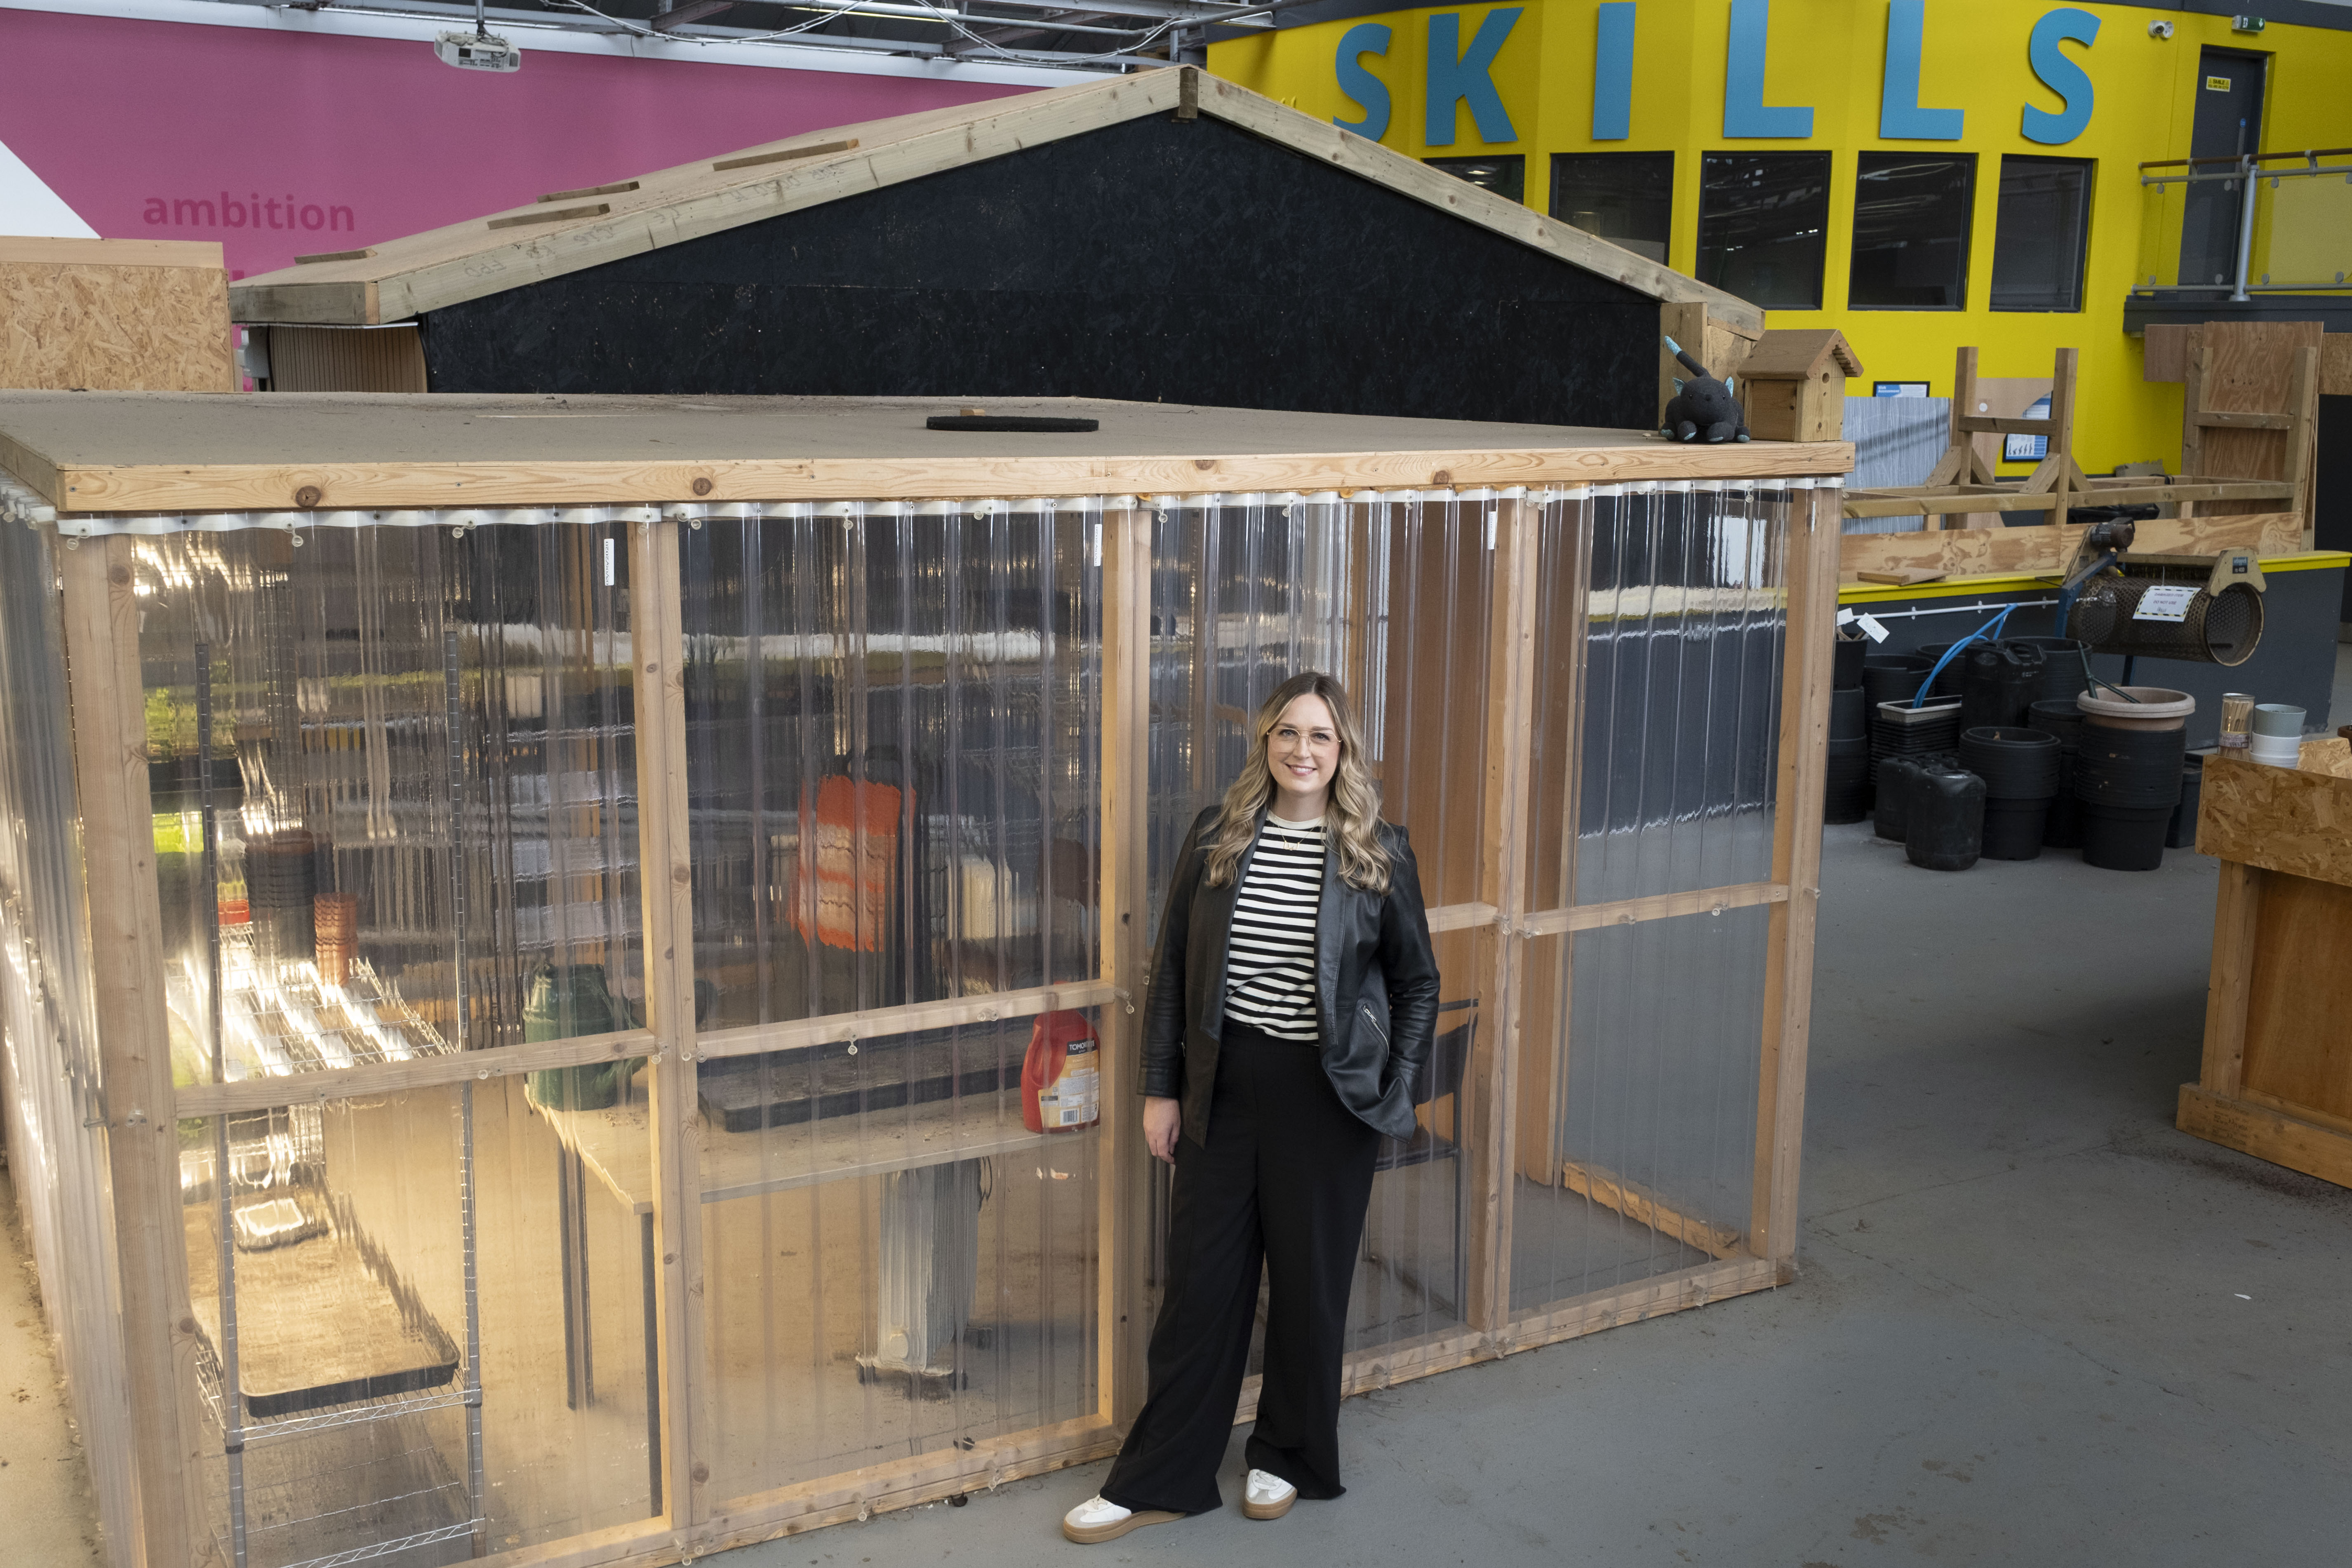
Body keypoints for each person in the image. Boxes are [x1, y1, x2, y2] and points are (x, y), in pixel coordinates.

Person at [1061, 671, 1439, 1543]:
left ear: (1342, 752)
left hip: (1328, 1098)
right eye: (1287, 733)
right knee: (1200, 1288)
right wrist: (1160, 1089)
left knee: (1308, 1290)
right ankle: (1161, 1476)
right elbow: (1171, 972)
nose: (1302, 751)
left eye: (1320, 736)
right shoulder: (1217, 836)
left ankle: (1288, 1457)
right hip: (1223, 1088)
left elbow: (1417, 982)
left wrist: (1392, 1087)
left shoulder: (1377, 851)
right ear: (1264, 742)